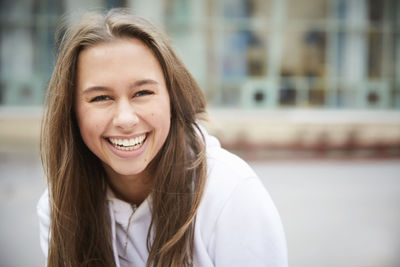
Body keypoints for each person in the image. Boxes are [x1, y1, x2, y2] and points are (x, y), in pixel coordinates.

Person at [37, 8, 288, 267]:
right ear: (72, 111)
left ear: (172, 99)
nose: (125, 119)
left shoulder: (230, 194)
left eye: (143, 92)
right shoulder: (59, 205)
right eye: (101, 98)